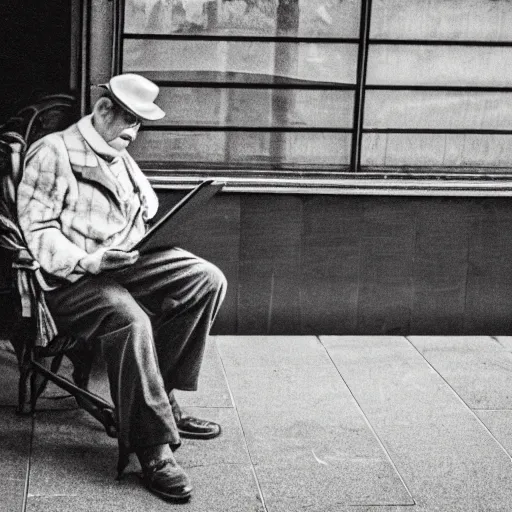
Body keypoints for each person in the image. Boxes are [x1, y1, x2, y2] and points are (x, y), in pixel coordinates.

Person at [16, 73, 227, 502]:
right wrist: (88, 259)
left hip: (124, 258)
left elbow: (142, 207)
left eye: (140, 122)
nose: (134, 130)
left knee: (207, 279)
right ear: (103, 110)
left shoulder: (116, 148)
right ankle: (152, 448)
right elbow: (35, 230)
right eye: (128, 118)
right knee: (129, 320)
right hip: (72, 276)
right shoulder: (53, 151)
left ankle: (161, 398)